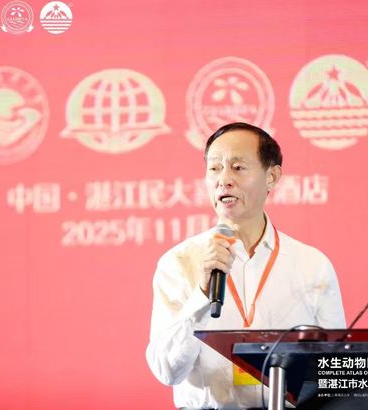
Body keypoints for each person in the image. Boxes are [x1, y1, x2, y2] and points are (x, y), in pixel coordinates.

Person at [146, 122, 346, 409]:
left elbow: (335, 370)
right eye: (214, 168)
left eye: (238, 167)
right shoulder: (178, 263)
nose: (224, 180)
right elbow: (167, 371)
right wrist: (201, 296)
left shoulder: (312, 265)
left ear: (272, 177)